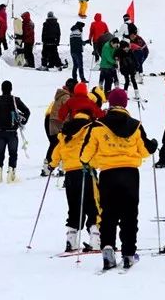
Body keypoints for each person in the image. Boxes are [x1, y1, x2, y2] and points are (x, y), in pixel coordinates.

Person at [80, 88, 158, 269]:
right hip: (130, 174)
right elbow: (145, 150)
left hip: (108, 174)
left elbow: (85, 154)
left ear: (109, 103)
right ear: (125, 104)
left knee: (108, 213)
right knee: (130, 214)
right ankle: (129, 253)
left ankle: (108, 247)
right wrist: (153, 144)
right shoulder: (136, 125)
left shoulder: (98, 125)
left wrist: (89, 162)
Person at [49, 99, 103, 252]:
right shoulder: (91, 128)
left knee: (74, 207)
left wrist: (52, 165)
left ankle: (71, 240)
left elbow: (57, 150)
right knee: (93, 206)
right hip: (86, 171)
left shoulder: (66, 130)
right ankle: (95, 238)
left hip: (70, 174)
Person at [0, 80, 30, 183]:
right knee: (13, 153)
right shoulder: (16, 100)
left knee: (0, 153)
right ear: (11, 89)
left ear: (1, 89)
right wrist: (23, 122)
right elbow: (27, 111)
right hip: (12, 131)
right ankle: (11, 175)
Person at [43, 78, 77, 176]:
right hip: (56, 120)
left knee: (54, 143)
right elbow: (68, 111)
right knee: (58, 143)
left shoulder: (61, 94)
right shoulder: (66, 96)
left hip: (50, 119)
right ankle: (55, 165)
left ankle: (49, 165)